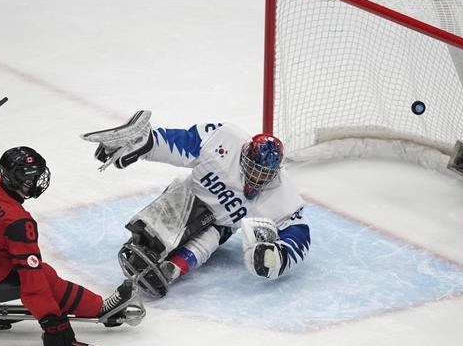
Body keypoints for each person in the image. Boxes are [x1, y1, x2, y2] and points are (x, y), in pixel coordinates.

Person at [0, 146, 142, 346]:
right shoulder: (17, 222)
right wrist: (52, 323)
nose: (40, 180)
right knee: (41, 275)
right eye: (35, 176)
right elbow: (33, 282)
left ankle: (97, 306)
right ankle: (100, 309)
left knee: (35, 271)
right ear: (24, 181)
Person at [81, 111, 311, 298]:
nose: (257, 177)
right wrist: (148, 144)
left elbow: (298, 234)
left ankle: (171, 270)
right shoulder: (224, 139)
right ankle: (146, 241)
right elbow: (183, 143)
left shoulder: (283, 195)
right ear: (244, 156)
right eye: (253, 168)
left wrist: (278, 257)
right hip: (189, 195)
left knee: (209, 240)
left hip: (220, 224)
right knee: (167, 216)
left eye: (265, 174)